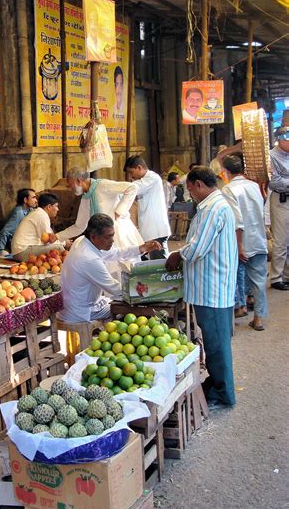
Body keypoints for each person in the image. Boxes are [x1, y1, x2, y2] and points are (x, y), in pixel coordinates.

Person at [166, 166, 238, 410]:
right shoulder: (213, 206)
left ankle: (223, 393)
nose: (190, 195)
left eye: (190, 189)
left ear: (198, 184)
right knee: (213, 340)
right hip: (211, 286)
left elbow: (197, 249)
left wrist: (177, 254)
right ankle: (217, 384)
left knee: (217, 343)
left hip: (212, 289)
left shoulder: (213, 209)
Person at [59, 214, 161, 323]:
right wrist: (148, 291)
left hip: (78, 304)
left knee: (120, 303)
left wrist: (141, 248)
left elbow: (116, 253)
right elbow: (116, 289)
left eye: (112, 235)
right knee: (133, 308)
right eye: (108, 237)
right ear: (93, 236)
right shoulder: (89, 259)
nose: (112, 240)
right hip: (81, 311)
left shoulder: (83, 241)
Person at [221, 155, 268, 330]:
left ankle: (239, 307)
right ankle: (258, 318)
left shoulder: (228, 189)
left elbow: (237, 220)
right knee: (259, 281)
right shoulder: (254, 185)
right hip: (258, 238)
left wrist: (240, 246)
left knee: (234, 277)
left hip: (240, 241)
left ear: (226, 172)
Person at [56, 167, 142, 250]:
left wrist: (120, 211)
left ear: (79, 181)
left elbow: (132, 187)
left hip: (119, 233)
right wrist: (57, 236)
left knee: (126, 262)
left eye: (71, 185)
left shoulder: (103, 185)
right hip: (104, 238)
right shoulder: (86, 198)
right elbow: (80, 226)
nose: (70, 188)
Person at [123, 155, 171, 258]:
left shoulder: (152, 178)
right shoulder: (143, 181)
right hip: (150, 231)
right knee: (152, 262)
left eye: (131, 172)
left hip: (156, 231)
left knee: (160, 264)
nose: (131, 177)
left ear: (139, 168)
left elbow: (132, 188)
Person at [11, 193, 68, 260]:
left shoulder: (39, 213)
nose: (57, 209)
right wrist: (64, 242)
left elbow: (50, 237)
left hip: (21, 251)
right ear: (49, 207)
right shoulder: (41, 215)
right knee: (59, 247)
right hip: (22, 252)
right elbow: (48, 241)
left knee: (55, 252)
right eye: (56, 206)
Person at [268, 125, 289, 290]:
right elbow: (274, 181)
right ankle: (276, 277)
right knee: (281, 240)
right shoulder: (271, 156)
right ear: (280, 140)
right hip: (281, 199)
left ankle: (287, 275)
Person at [0, 188, 37, 255]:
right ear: (25, 200)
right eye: (33, 198)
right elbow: (5, 232)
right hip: (13, 245)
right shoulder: (18, 213)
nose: (36, 201)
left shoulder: (30, 210)